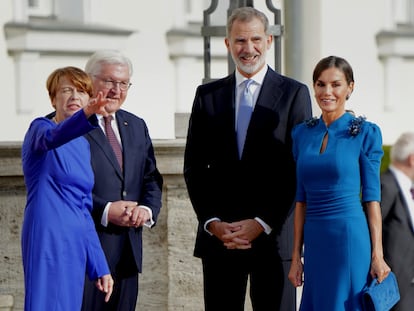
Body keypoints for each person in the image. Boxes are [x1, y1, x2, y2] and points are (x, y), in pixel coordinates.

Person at [184, 7, 312, 311]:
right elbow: (194, 167)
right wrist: (213, 222)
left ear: (268, 41)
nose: (248, 48)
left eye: (256, 39)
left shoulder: (295, 94)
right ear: (228, 44)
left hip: (273, 238)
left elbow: (297, 168)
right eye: (240, 41)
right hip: (220, 240)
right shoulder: (207, 95)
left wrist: (262, 222)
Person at [288, 55, 391, 310]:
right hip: (315, 240)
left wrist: (377, 254)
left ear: (350, 87)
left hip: (349, 238)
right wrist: (295, 257)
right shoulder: (302, 134)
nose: (327, 91)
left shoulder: (365, 133)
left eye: (336, 84)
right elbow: (300, 201)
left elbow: (372, 199)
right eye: (321, 84)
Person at [21, 66, 114, 311]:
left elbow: (84, 209)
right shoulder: (39, 129)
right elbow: (53, 138)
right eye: (66, 90)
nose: (74, 96)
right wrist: (86, 114)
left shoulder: (82, 145)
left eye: (82, 91)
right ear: (53, 99)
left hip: (74, 240)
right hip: (47, 235)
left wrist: (100, 266)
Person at [81, 50, 163, 311]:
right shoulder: (69, 126)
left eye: (123, 83)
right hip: (86, 253)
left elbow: (151, 178)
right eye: (109, 81)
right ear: (89, 80)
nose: (117, 90)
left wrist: (146, 209)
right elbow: (62, 187)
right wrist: (105, 210)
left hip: (127, 253)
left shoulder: (136, 125)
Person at [380, 132, 414, 311]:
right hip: (393, 287)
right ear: (412, 159)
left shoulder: (408, 189)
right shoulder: (387, 185)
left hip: (408, 286)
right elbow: (371, 232)